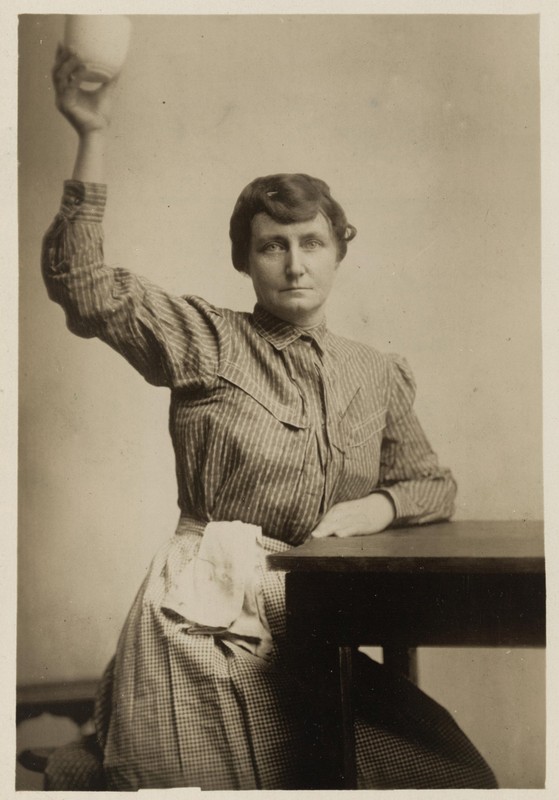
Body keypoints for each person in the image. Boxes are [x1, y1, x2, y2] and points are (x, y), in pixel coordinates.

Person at [41, 46, 498, 790]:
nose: (293, 263)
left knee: (445, 772)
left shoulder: (372, 371)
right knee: (189, 777)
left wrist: (372, 508)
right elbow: (84, 286)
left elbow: (430, 484)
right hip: (194, 619)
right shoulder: (204, 339)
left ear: (338, 251)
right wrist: (92, 133)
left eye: (310, 242)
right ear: (244, 259)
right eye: (272, 246)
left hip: (310, 618)